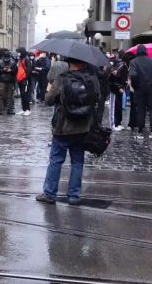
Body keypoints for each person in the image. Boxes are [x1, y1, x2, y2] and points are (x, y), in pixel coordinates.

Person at [35, 56, 99, 205]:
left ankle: (50, 193)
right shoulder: (92, 79)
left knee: (56, 161)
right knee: (77, 162)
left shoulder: (62, 79)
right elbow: (97, 98)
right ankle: (74, 195)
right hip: (83, 127)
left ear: (69, 63)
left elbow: (48, 100)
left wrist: (51, 90)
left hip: (63, 127)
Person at [129, 44, 152, 140]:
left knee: (141, 110)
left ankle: (140, 132)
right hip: (151, 89)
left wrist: (135, 85)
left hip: (139, 89)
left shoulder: (133, 62)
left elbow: (133, 75)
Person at [108, 51, 128, 131]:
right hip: (117, 88)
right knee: (115, 106)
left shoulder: (119, 64)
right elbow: (115, 78)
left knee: (117, 106)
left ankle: (118, 123)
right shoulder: (121, 65)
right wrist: (120, 86)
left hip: (118, 88)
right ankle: (114, 124)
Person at [0, 48, 17, 116]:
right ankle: (3, 109)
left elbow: (15, 71)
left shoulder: (12, 62)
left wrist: (10, 70)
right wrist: (4, 70)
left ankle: (7, 109)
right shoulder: (0, 61)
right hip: (4, 81)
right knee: (5, 96)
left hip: (8, 81)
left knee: (8, 96)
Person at [15, 48, 32, 116]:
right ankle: (24, 109)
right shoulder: (20, 59)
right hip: (20, 79)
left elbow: (29, 70)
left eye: (18, 52)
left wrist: (26, 79)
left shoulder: (27, 59)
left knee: (25, 95)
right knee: (22, 95)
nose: (18, 54)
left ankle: (28, 109)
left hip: (25, 80)